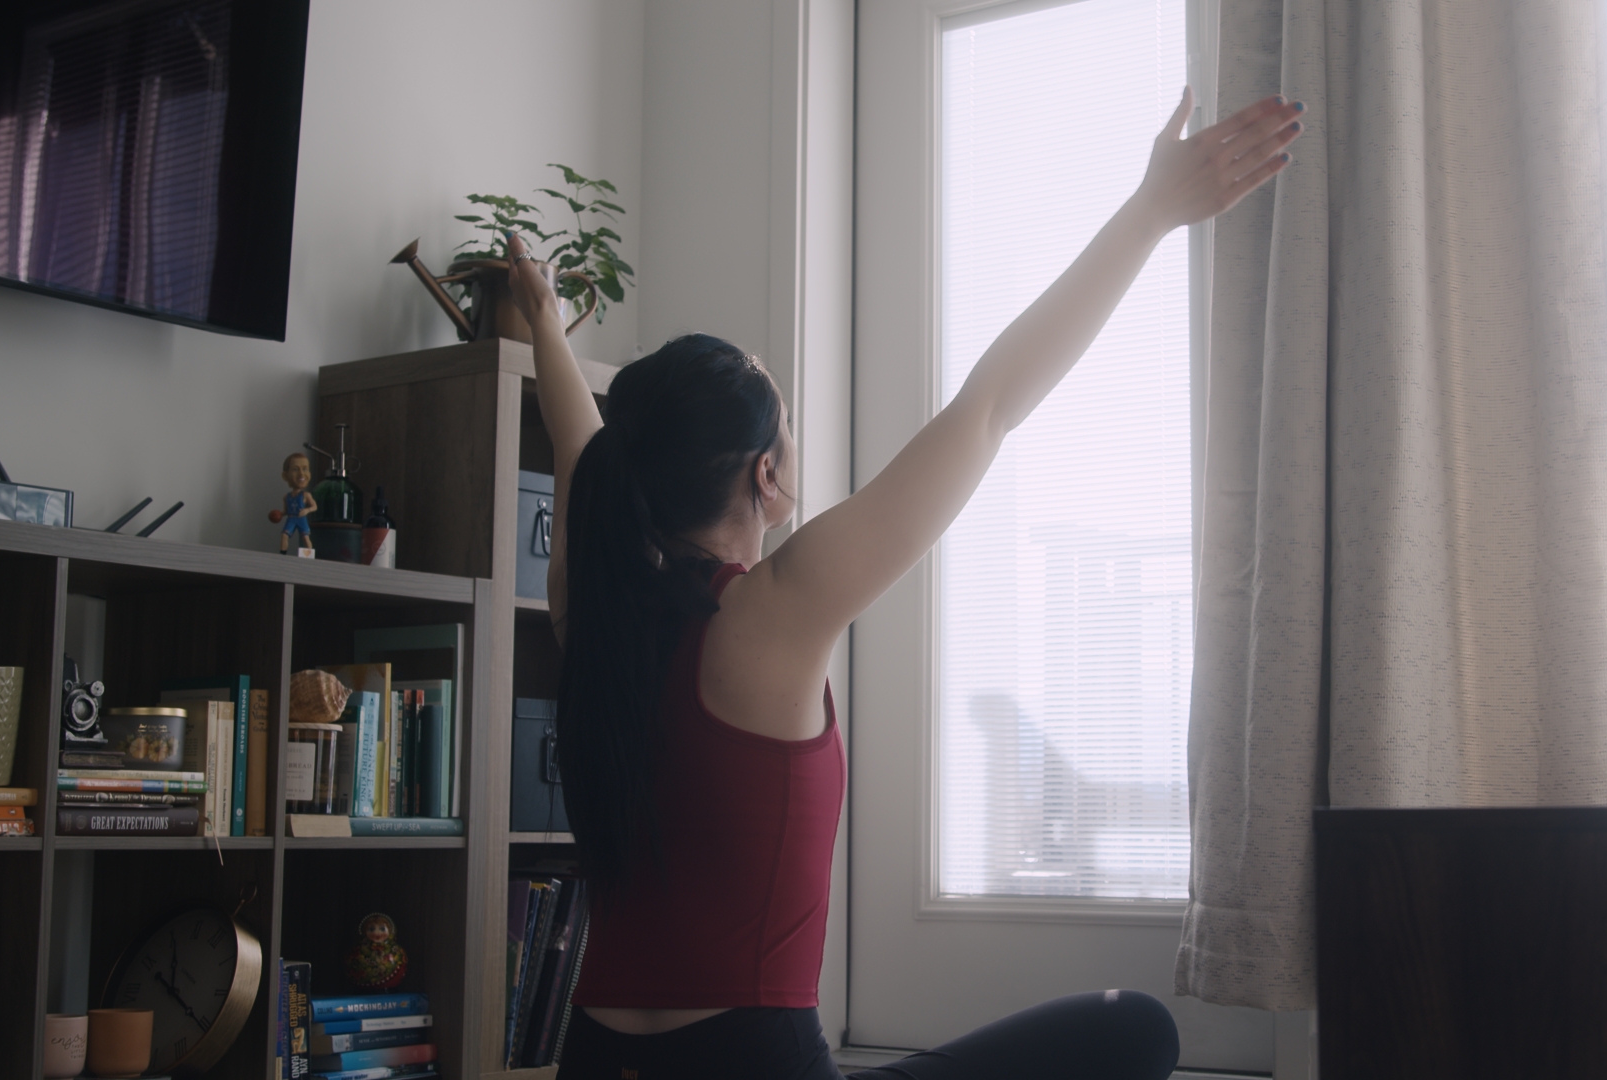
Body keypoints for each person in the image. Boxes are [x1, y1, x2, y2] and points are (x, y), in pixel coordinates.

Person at [511, 90, 1305, 1080]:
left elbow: (582, 446)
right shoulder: (768, 615)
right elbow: (990, 408)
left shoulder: (594, 616)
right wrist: (1149, 213)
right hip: (751, 1064)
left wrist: (545, 319)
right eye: (788, 422)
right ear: (766, 475)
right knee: (1133, 1029)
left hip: (593, 1060)